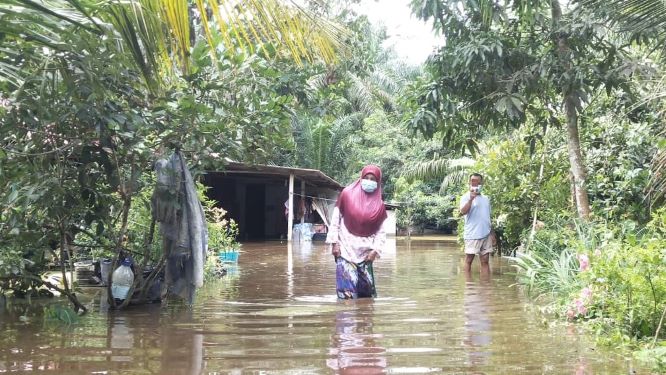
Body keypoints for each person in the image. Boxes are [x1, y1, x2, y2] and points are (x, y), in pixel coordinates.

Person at [326, 165, 387, 299]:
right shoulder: (346, 194)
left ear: (378, 183)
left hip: (366, 255)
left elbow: (381, 233)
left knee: (367, 298)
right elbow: (335, 220)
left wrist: (374, 252)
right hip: (345, 251)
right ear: (361, 178)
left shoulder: (380, 206)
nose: (369, 181)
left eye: (373, 179)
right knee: (346, 297)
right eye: (366, 178)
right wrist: (334, 244)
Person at [459, 173, 493, 275]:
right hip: (472, 234)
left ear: (481, 183)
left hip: (486, 234)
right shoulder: (465, 197)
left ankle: (486, 286)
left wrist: (492, 233)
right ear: (469, 182)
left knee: (485, 260)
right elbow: (463, 212)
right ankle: (468, 285)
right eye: (473, 181)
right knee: (469, 260)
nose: (475, 183)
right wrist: (471, 199)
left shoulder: (486, 199)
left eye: (478, 181)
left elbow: (488, 217)